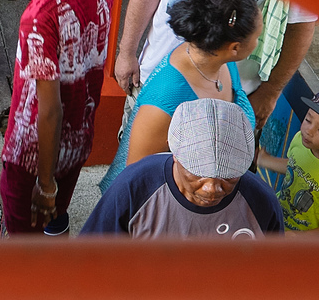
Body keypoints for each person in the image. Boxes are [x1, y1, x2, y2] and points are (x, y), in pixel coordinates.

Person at [113, 0, 316, 130]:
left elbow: (302, 25)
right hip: (155, 83)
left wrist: (270, 92)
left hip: (230, 105)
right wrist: (126, 52)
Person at [0, 0, 112, 234]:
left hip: (34, 155)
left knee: (25, 239)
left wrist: (45, 184)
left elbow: (49, 111)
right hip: (78, 142)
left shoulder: (38, 17)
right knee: (48, 222)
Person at [100, 0, 259, 192]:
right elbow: (138, 180)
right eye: (257, 38)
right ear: (235, 48)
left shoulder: (220, 60)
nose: (258, 42)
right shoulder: (165, 99)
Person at [82, 98, 283, 238]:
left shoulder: (261, 202)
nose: (212, 188)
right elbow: (92, 259)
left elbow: (273, 275)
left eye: (228, 177)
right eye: (198, 173)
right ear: (175, 155)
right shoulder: (134, 186)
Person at [268, 90, 319, 234]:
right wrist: (264, 160)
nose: (309, 131)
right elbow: (294, 166)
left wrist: (297, 238)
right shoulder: (299, 140)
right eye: (308, 120)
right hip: (277, 217)